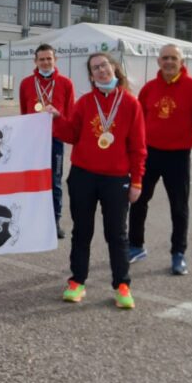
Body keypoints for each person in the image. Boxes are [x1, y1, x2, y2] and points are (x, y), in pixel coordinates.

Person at [53, 52, 145, 309]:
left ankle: (122, 285)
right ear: (92, 76)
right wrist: (56, 119)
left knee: (117, 235)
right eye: (95, 68)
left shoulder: (130, 103)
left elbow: (138, 146)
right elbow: (72, 134)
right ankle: (77, 281)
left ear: (113, 68)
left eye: (104, 65)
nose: (101, 71)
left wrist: (136, 181)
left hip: (116, 179)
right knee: (82, 232)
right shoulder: (85, 102)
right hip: (83, 175)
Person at [128, 44, 192, 276]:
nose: (169, 62)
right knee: (137, 200)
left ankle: (178, 253)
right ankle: (136, 246)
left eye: (173, 58)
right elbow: (136, 123)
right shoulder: (149, 89)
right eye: (165, 58)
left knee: (179, 207)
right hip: (149, 154)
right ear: (158, 62)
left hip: (178, 156)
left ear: (181, 61)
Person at [18, 44, 75, 239]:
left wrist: (59, 116)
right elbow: (23, 114)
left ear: (55, 60)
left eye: (49, 59)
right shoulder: (26, 83)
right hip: (33, 141)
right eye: (41, 59)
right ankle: (32, 220)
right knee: (32, 180)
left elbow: (70, 115)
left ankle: (55, 220)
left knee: (55, 182)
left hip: (55, 139)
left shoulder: (66, 83)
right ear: (35, 61)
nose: (45, 62)